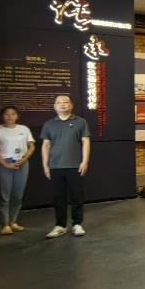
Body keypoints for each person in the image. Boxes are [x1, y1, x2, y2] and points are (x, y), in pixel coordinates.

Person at [41, 95, 91, 239]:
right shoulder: (49, 124)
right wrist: (45, 165)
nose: (62, 104)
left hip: (75, 165)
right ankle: (60, 226)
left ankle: (77, 224)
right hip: (55, 166)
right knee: (58, 198)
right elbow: (46, 145)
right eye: (59, 102)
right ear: (54, 106)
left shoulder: (81, 122)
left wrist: (85, 161)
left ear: (71, 105)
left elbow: (86, 142)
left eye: (66, 102)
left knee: (77, 196)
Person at [0, 106, 35, 235]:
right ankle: (4, 224)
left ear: (17, 116)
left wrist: (24, 159)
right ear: (2, 116)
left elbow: (31, 146)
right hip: (3, 163)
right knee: (4, 195)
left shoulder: (24, 129)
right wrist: (5, 164)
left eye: (13, 114)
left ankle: (13, 221)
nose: (10, 116)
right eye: (7, 114)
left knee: (18, 195)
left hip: (22, 163)